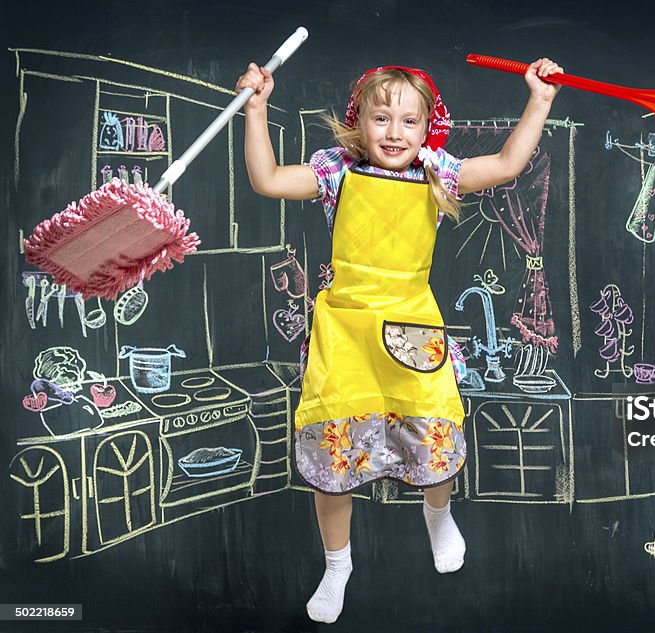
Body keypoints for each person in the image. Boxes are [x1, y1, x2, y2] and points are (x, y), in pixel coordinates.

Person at [236, 56, 562, 624]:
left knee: (432, 428)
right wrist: (257, 108)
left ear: (426, 128)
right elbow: (266, 180)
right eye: (381, 118)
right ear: (358, 124)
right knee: (333, 450)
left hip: (412, 325)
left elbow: (510, 164)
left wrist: (539, 98)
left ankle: (438, 518)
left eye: (409, 121)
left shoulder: (438, 172)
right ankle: (338, 564)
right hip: (346, 330)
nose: (394, 132)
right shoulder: (336, 172)